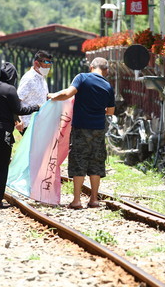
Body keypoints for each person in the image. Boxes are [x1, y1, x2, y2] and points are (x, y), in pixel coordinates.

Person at [47, 57, 115, 209]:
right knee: (96, 163)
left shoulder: (82, 78)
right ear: (106, 71)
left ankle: (77, 200)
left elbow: (68, 94)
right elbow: (110, 111)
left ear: (91, 66)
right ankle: (94, 200)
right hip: (98, 129)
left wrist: (53, 96)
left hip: (80, 128)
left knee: (79, 162)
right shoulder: (108, 86)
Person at [0, 62, 39, 209]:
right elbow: (19, 109)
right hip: (2, 133)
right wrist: (36, 107)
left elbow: (5, 108)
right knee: (3, 167)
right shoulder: (10, 89)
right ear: (13, 76)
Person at [16, 50, 53, 135]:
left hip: (40, 123)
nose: (47, 68)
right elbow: (17, 100)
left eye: (49, 65)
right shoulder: (29, 78)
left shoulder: (42, 78)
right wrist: (17, 121)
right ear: (36, 63)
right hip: (29, 123)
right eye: (45, 65)